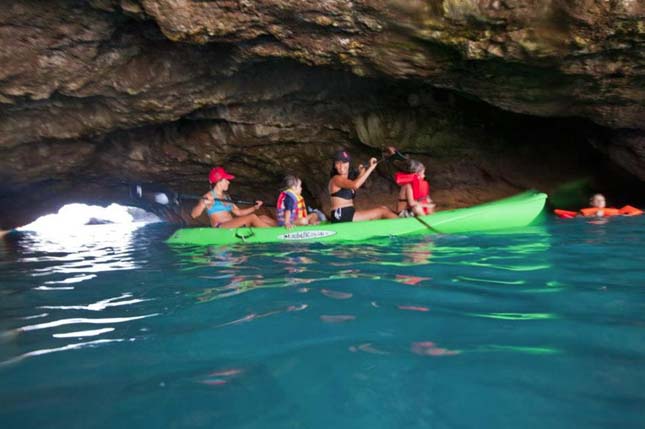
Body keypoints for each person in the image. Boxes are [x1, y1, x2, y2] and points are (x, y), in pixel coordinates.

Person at [191, 166, 276, 228]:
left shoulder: (226, 196)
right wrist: (202, 204)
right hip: (221, 227)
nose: (229, 182)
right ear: (219, 181)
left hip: (232, 223)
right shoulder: (208, 196)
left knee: (262, 217)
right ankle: (275, 235)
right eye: (226, 180)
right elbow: (194, 215)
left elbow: (238, 212)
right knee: (252, 217)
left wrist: (254, 207)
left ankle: (284, 228)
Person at [328, 149, 398, 223]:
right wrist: (371, 168)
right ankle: (404, 224)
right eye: (338, 163)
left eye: (344, 162)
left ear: (348, 163)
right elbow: (355, 185)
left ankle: (398, 224)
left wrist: (362, 171)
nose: (341, 166)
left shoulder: (347, 180)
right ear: (335, 165)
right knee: (382, 211)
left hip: (347, 214)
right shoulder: (336, 179)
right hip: (341, 216)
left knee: (383, 208)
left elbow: (357, 181)